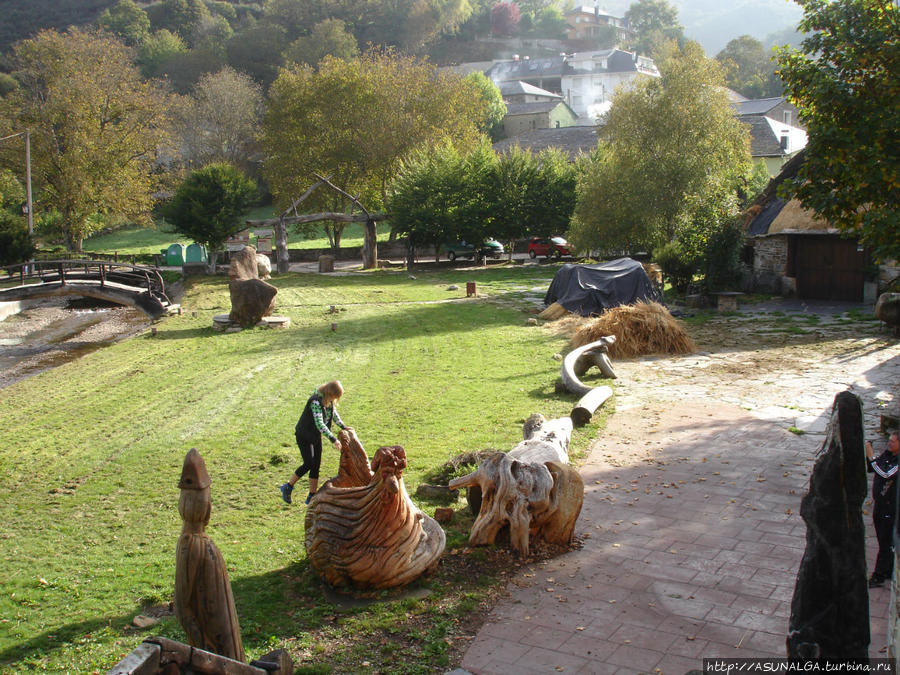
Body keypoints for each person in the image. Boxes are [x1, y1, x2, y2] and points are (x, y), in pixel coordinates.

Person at [280, 380, 351, 505]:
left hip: (315, 436)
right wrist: (333, 439)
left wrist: (344, 427)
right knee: (308, 463)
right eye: (335, 397)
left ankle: (311, 496)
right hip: (304, 435)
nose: (335, 400)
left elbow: (334, 416)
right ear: (330, 393)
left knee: (316, 465)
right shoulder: (315, 401)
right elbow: (319, 423)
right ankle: (288, 486)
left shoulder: (329, 401)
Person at [865, 430, 900, 588]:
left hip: (890, 508)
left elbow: (886, 473)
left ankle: (879, 575)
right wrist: (871, 459)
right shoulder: (887, 455)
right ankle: (887, 569)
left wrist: (871, 456)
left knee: (886, 542)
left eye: (893, 441)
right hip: (879, 506)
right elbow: (873, 468)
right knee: (882, 539)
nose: (889, 443)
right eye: (890, 440)